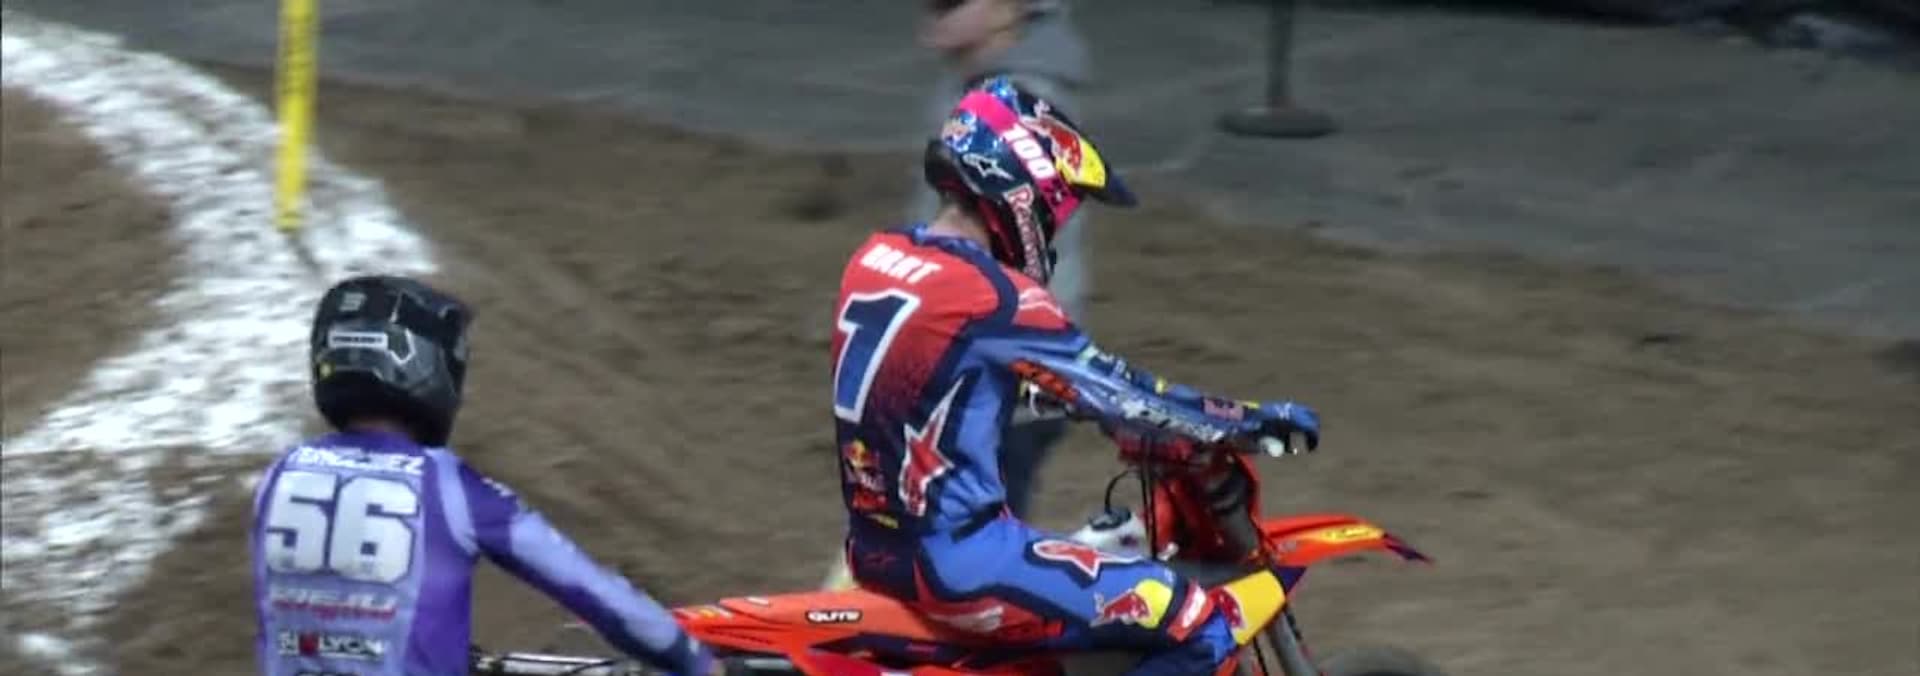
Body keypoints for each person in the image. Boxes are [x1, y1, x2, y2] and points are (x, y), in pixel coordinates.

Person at [829, 78, 1322, 676]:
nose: (1054, 227)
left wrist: (1065, 402)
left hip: (876, 551)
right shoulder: (994, 296)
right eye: (1057, 209)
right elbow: (1126, 397)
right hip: (962, 564)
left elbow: (942, 384)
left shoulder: (877, 258)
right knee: (1199, 618)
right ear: (1023, 190)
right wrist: (1250, 423)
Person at [249, 275, 718, 676]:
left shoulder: (278, 476)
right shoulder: (450, 485)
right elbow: (594, 592)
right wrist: (695, 660)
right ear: (424, 363)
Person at [824, 0, 1094, 594]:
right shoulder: (976, 86)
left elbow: (997, 252)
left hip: (996, 380)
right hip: (977, 368)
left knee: (947, 572)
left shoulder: (1021, 104)